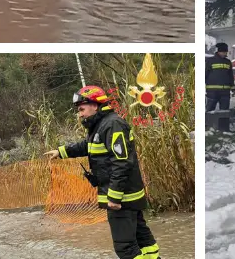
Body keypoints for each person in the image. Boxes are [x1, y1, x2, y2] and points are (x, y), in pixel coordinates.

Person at [45, 86, 159, 259]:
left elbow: (122, 162)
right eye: (78, 111)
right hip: (127, 196)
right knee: (142, 239)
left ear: (95, 106)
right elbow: (88, 146)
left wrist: (114, 196)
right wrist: (62, 152)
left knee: (125, 248)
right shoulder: (100, 126)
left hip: (121, 198)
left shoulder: (112, 124)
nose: (80, 114)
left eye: (82, 109)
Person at [205, 43, 235, 133]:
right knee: (210, 111)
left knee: (224, 112)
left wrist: (233, 88)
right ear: (219, 51)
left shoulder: (228, 62)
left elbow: (230, 76)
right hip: (212, 91)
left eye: (226, 52)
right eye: (224, 52)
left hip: (225, 92)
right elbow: (205, 74)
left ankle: (224, 129)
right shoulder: (210, 61)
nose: (225, 54)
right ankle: (208, 129)